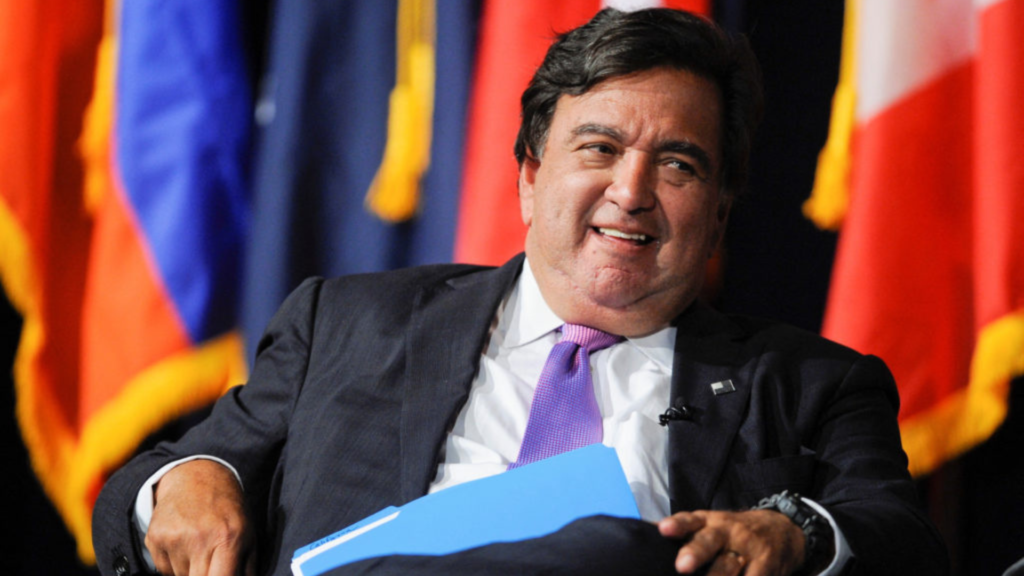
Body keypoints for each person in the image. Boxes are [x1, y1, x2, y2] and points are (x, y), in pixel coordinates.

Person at [93, 8, 947, 576]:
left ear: (720, 213)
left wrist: (795, 536)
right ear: (531, 178)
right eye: (599, 149)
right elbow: (159, 481)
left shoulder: (809, 385)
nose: (632, 190)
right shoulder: (347, 321)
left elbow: (900, 536)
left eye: (678, 165)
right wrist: (187, 478)